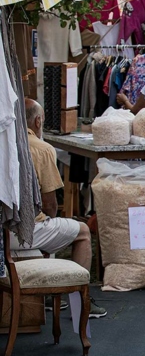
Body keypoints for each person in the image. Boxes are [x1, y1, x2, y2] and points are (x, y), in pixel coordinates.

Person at [20, 99, 106, 318]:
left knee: (56, 227)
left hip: (8, 229)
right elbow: (50, 204)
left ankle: (50, 296)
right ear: (38, 121)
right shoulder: (42, 149)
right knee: (83, 231)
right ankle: (83, 299)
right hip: (26, 229)